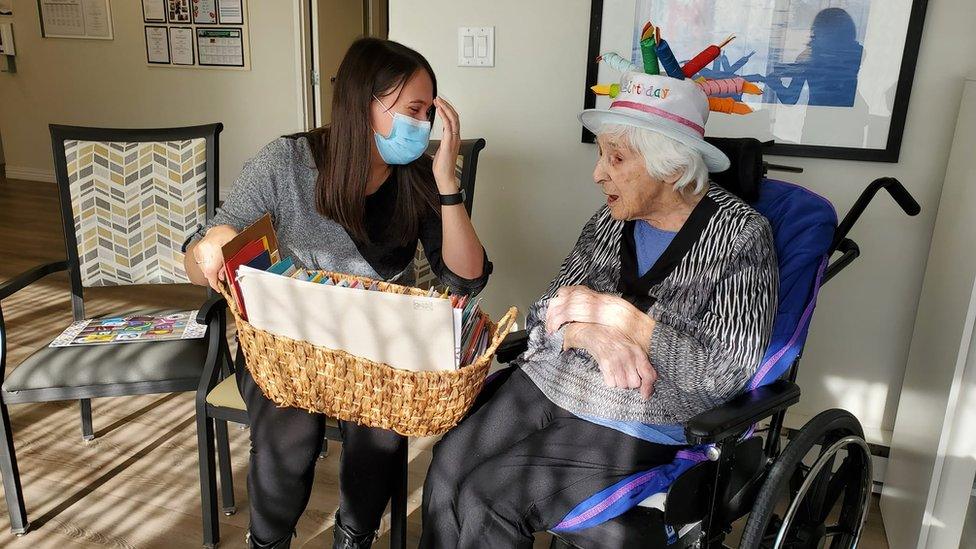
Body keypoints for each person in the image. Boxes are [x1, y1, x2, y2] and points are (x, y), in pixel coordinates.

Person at [420, 72, 778, 548]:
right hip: (549, 380)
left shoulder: (740, 237)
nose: (598, 173)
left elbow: (723, 371)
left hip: (633, 413)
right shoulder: (610, 221)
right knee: (446, 474)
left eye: (617, 157)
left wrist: (618, 315)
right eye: (600, 153)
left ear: (670, 167)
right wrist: (584, 334)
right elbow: (544, 310)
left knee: (490, 499)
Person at [184, 38, 491, 549]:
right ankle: (267, 541)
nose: (424, 126)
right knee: (291, 431)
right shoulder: (285, 163)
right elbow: (205, 255)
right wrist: (211, 249)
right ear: (363, 103)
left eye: (428, 113)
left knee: (381, 428)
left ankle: (355, 536)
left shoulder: (418, 177)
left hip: (377, 351)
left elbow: (468, 278)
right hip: (288, 348)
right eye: (413, 110)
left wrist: (448, 185)